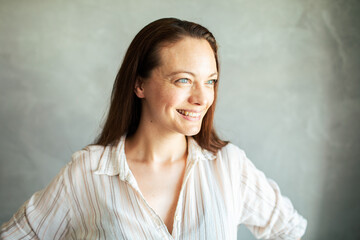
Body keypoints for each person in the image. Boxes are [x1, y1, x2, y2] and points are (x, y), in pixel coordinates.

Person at [0, 18, 307, 240]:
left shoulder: (230, 166)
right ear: (139, 84)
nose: (202, 98)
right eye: (183, 80)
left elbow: (287, 230)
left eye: (210, 81)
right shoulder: (87, 173)